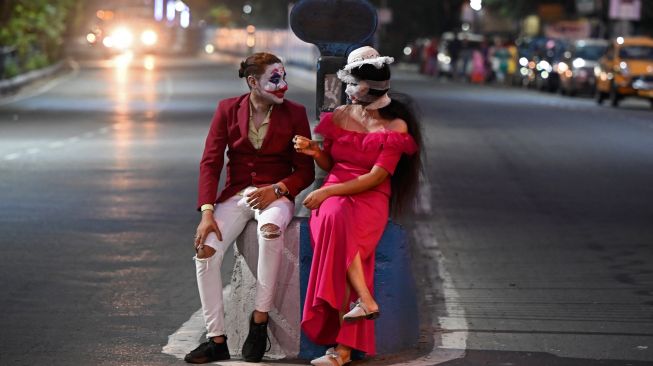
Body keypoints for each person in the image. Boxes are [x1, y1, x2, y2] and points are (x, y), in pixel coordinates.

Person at [294, 46, 422, 366]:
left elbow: (377, 178)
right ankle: (359, 312)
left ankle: (347, 342)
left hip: (369, 197)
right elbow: (331, 159)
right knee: (336, 217)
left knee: (337, 227)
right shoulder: (339, 116)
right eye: (349, 83)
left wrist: (326, 192)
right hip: (336, 192)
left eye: (355, 84)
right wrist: (313, 151)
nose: (349, 91)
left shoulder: (395, 127)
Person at [185, 52, 315, 364]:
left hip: (276, 194)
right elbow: (211, 162)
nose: (282, 85)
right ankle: (216, 339)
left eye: (284, 77)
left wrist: (279, 189)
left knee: (270, 232)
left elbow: (305, 171)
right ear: (253, 81)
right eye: (275, 78)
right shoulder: (227, 109)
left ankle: (259, 321)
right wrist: (206, 212)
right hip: (236, 195)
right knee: (205, 250)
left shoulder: (295, 113)